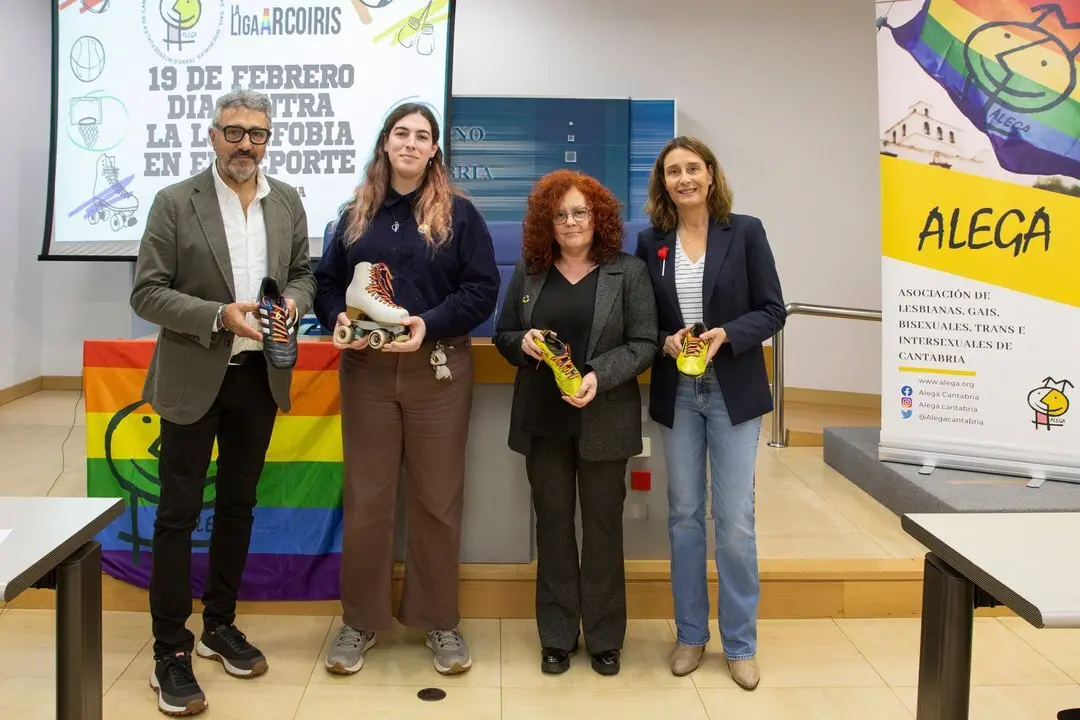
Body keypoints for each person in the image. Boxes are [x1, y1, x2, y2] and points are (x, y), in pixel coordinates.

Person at [130, 89, 316, 716]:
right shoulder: (174, 202)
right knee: (178, 514)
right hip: (193, 376)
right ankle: (170, 651)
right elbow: (147, 294)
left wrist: (293, 302)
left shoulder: (287, 200)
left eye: (257, 134)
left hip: (258, 379)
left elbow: (303, 274)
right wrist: (220, 316)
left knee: (238, 506)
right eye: (234, 132)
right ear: (212, 136)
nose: (245, 144)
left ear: (269, 140)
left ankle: (220, 626)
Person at [313, 102, 500, 676]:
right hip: (367, 372)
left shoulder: (460, 216)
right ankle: (359, 621)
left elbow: (482, 290)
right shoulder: (355, 214)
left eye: (423, 136)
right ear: (385, 142)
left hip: (437, 369)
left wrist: (428, 324)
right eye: (402, 133)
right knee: (367, 499)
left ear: (435, 149)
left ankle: (440, 620)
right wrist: (334, 320)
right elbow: (326, 284)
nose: (412, 143)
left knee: (437, 501)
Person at [493, 170, 658, 676]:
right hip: (543, 422)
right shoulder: (530, 270)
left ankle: (606, 637)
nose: (570, 222)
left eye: (580, 212)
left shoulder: (626, 272)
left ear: (598, 217)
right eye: (560, 214)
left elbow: (645, 342)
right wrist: (519, 344)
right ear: (548, 221)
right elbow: (504, 334)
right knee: (554, 527)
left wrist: (596, 375)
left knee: (604, 530)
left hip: (603, 418)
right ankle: (558, 635)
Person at [634, 136, 785, 688]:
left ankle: (740, 642)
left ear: (711, 175)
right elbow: (639, 320)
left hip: (733, 390)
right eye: (673, 171)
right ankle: (692, 635)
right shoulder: (650, 243)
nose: (684, 179)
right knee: (684, 516)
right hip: (678, 391)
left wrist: (729, 334)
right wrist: (664, 341)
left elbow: (773, 309)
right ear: (663, 184)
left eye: (693, 168)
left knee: (736, 522)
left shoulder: (744, 231)